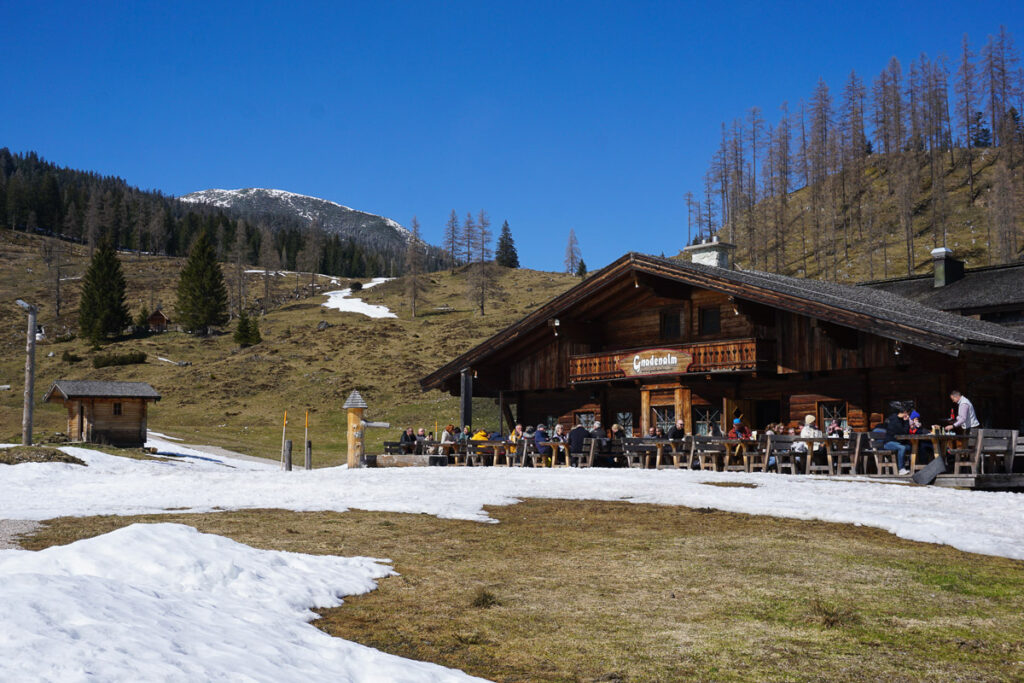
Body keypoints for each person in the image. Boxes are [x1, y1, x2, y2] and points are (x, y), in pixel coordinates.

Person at [882, 402, 911, 475]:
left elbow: (905, 432)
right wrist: (906, 421)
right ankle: (901, 469)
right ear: (905, 413)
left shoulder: (901, 420)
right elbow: (903, 431)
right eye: (908, 414)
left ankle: (910, 467)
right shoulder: (894, 420)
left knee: (910, 447)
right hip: (888, 443)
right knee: (902, 448)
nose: (908, 415)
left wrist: (906, 422)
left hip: (896, 442)